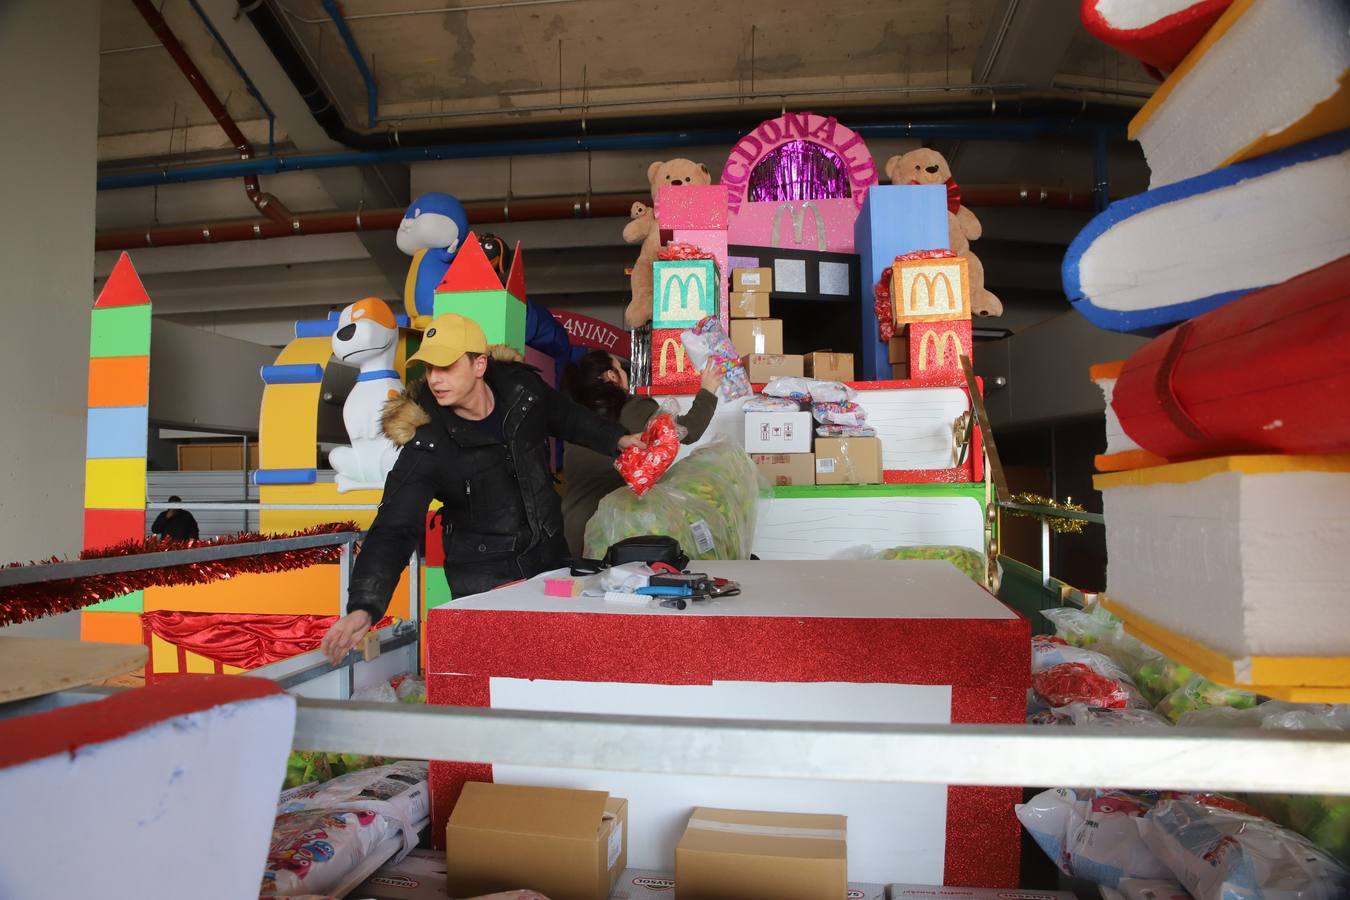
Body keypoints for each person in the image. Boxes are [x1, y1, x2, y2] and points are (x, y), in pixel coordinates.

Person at [320, 314, 647, 664]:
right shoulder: (427, 442)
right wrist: (364, 606)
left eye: (446, 367)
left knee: (558, 669)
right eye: (429, 368)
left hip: (549, 563)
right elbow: (395, 526)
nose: (435, 379)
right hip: (483, 580)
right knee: (499, 679)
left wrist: (619, 438)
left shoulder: (523, 391)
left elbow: (567, 416)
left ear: (479, 365)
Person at [561, 349, 722, 558]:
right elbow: (688, 430)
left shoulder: (575, 420)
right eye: (621, 369)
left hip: (574, 533)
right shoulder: (635, 407)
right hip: (615, 534)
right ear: (612, 375)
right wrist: (708, 390)